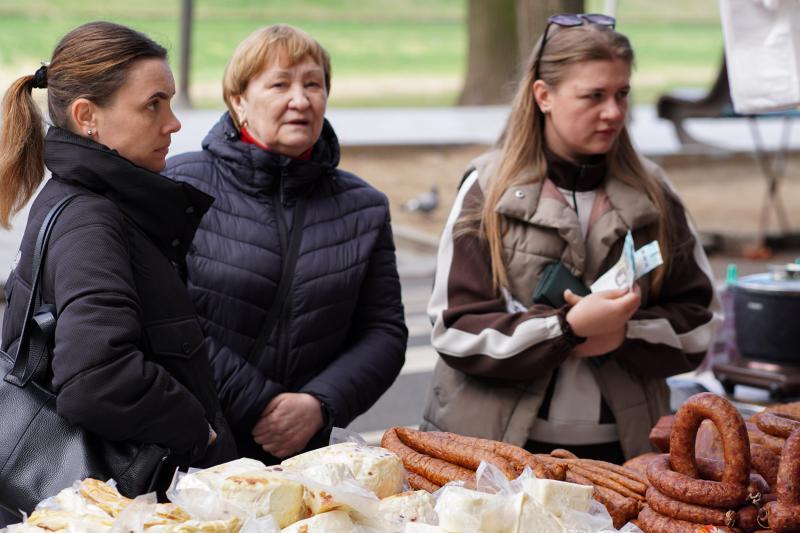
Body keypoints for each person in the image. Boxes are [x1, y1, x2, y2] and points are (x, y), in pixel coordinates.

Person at [421, 14, 720, 463]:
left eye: (622, 94)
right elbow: (454, 330)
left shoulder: (655, 194)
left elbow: (700, 324)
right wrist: (567, 329)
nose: (613, 112)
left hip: (624, 455)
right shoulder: (488, 188)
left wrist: (623, 334)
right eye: (593, 96)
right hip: (497, 454)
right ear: (543, 95)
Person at [0, 21, 237, 517]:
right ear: (87, 117)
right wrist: (200, 430)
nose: (173, 123)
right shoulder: (91, 220)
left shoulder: (89, 201)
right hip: (131, 505)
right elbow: (98, 378)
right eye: (154, 104)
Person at [163, 24, 407, 463]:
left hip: (306, 457)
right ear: (238, 100)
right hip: (191, 446)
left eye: (313, 84)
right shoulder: (180, 187)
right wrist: (258, 404)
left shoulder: (365, 206)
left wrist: (318, 405)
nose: (301, 99)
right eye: (280, 84)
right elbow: (161, 317)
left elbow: (384, 333)